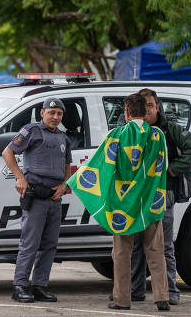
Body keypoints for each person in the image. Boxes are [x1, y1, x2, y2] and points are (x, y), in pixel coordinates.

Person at [69, 93, 170, 311]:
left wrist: (74, 180)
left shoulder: (117, 135)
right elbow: (161, 167)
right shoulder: (158, 136)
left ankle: (122, 300)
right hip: (150, 202)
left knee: (122, 253)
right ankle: (162, 298)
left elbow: (100, 165)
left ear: (126, 112)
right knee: (156, 251)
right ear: (146, 111)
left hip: (123, 205)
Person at [130, 88, 191, 306]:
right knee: (136, 245)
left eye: (150, 106)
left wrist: (172, 169)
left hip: (163, 194)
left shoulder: (169, 129)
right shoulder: (132, 129)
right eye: (143, 107)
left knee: (163, 245)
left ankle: (171, 292)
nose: (146, 110)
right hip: (136, 197)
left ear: (157, 107)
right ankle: (136, 290)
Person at [2, 97, 71, 303]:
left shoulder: (63, 138)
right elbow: (8, 152)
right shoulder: (31, 130)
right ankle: (20, 286)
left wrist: (64, 185)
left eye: (59, 114)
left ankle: (40, 286)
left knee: (49, 245)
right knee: (30, 244)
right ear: (42, 113)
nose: (55, 117)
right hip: (36, 195)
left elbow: (67, 166)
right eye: (51, 113)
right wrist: (20, 177)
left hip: (54, 197)